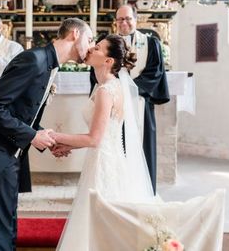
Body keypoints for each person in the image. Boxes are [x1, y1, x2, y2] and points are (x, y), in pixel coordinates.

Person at [0, 18, 94, 251]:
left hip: (10, 152)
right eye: (90, 39)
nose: (91, 46)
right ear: (74, 34)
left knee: (7, 225)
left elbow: (21, 113)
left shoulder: (50, 64)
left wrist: (46, 138)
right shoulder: (34, 59)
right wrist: (32, 136)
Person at [51, 35, 156, 251]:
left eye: (97, 48)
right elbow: (102, 135)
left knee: (99, 223)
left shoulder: (106, 90)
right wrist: (69, 145)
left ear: (108, 61)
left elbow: (94, 138)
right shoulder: (109, 86)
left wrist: (51, 136)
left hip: (104, 164)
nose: (90, 49)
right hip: (107, 156)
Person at [115, 4, 170, 193]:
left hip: (141, 103)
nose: (124, 22)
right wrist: (118, 89)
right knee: (118, 146)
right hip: (116, 103)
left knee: (142, 147)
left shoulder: (150, 43)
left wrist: (131, 88)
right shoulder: (107, 44)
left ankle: (144, 191)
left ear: (136, 19)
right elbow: (99, 70)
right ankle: (120, 189)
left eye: (128, 18)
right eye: (120, 19)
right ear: (116, 22)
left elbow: (155, 72)